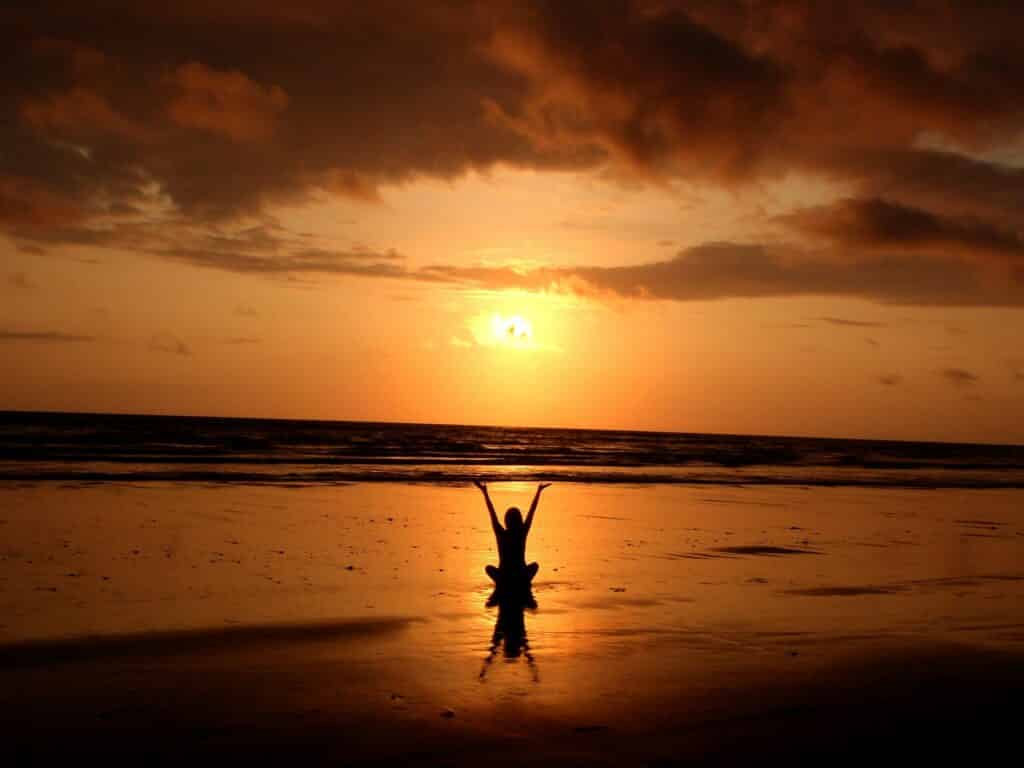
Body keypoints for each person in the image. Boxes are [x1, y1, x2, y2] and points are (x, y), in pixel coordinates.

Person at [474, 480, 549, 588]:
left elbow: (492, 513)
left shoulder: (501, 533)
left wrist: (485, 492)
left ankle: (506, 583)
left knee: (488, 568)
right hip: (521, 575)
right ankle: (521, 582)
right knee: (535, 566)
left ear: (506, 520)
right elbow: (531, 512)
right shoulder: (522, 532)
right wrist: (538, 492)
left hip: (504, 576)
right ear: (519, 520)